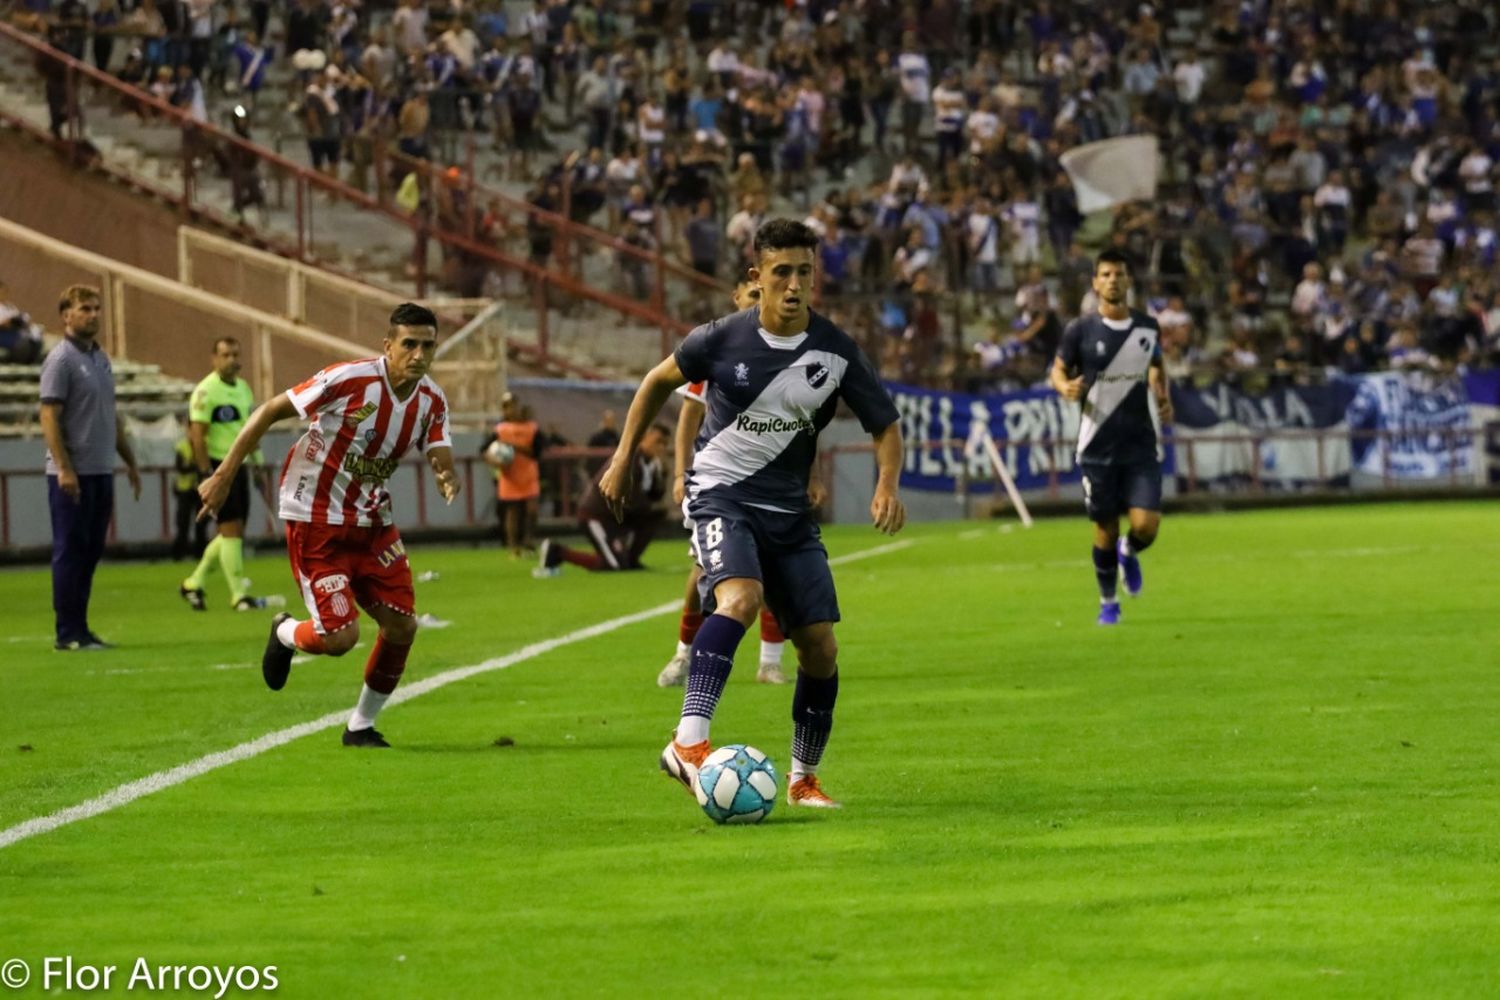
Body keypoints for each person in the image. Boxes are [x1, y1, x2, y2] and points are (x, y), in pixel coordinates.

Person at [599, 219, 907, 810]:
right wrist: (621, 457)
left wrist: (886, 484)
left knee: (820, 647)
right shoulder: (721, 338)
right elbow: (657, 382)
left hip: (789, 514)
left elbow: (885, 425)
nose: (794, 285)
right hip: (721, 494)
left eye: (805, 273)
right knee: (738, 600)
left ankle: (803, 780)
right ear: (757, 278)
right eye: (782, 272)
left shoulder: (837, 351)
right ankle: (688, 743)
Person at [198, 303, 461, 748]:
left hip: (373, 522)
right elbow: (268, 411)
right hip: (315, 517)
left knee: (402, 627)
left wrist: (445, 474)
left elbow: (439, 449)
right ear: (389, 346)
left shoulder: (432, 400)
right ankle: (284, 632)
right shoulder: (350, 379)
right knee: (340, 638)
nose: (418, 354)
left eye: (427, 346)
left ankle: (360, 726)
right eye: (409, 344)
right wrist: (223, 474)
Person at [656, 277, 802, 688]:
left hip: (772, 483)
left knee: (773, 569)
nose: (759, 301)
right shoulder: (717, 349)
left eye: (764, 294)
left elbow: (801, 424)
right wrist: (680, 473)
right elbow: (688, 417)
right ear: (736, 299)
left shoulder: (788, 354)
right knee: (704, 567)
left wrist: (811, 476)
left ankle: (770, 661)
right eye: (752, 295)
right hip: (720, 484)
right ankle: (684, 651)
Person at [1048, 249, 1174, 627]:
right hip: (1096, 445)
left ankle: (1129, 550)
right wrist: (1064, 387)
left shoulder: (1147, 327)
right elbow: (1057, 369)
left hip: (1139, 444)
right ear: (1095, 282)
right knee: (1104, 525)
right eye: (1105, 274)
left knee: (1146, 525)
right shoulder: (1080, 330)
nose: (1112, 280)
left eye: (1119, 273)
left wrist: (1162, 395)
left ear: (1129, 280)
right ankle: (1108, 602)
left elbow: (1156, 366)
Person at [38, 285, 142, 650]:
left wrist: (128, 460)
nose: (94, 314)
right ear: (66, 315)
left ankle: (80, 628)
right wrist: (64, 468)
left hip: (101, 470)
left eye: (97, 308)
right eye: (85, 308)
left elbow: (109, 416)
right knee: (71, 549)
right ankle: (67, 632)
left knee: (90, 551)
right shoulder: (61, 360)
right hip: (74, 473)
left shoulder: (101, 358)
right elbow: (49, 416)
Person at [180, 337, 269, 611]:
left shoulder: (243, 389)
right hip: (219, 468)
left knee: (234, 530)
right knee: (230, 530)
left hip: (239, 466)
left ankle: (194, 583)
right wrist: (208, 473)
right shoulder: (206, 391)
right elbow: (197, 436)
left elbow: (249, 430)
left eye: (235, 354)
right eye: (225, 355)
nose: (231, 360)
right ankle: (239, 595)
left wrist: (257, 462)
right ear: (214, 359)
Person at [536, 423, 669, 574]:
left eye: (664, 444)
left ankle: (630, 559)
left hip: (615, 515)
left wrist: (662, 476)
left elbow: (652, 497)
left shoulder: (648, 464)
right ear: (643, 438)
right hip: (596, 515)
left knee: (655, 517)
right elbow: (632, 499)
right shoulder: (630, 459)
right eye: (658, 441)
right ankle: (558, 552)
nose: (661, 448)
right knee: (614, 565)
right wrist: (651, 507)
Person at [489, 391, 542, 558]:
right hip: (509, 475)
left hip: (528, 474)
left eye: (512, 406)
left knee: (532, 510)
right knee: (512, 512)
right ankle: (513, 547)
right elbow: (485, 450)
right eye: (506, 407)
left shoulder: (531, 428)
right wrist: (494, 461)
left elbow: (537, 451)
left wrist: (515, 446)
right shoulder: (499, 430)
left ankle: (529, 541)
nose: (510, 410)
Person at [172, 419, 208, 560]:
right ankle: (178, 554)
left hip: (200, 489)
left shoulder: (205, 445)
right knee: (183, 522)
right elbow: (180, 467)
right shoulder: (182, 447)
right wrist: (197, 466)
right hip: (185, 489)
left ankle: (200, 554)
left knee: (201, 523)